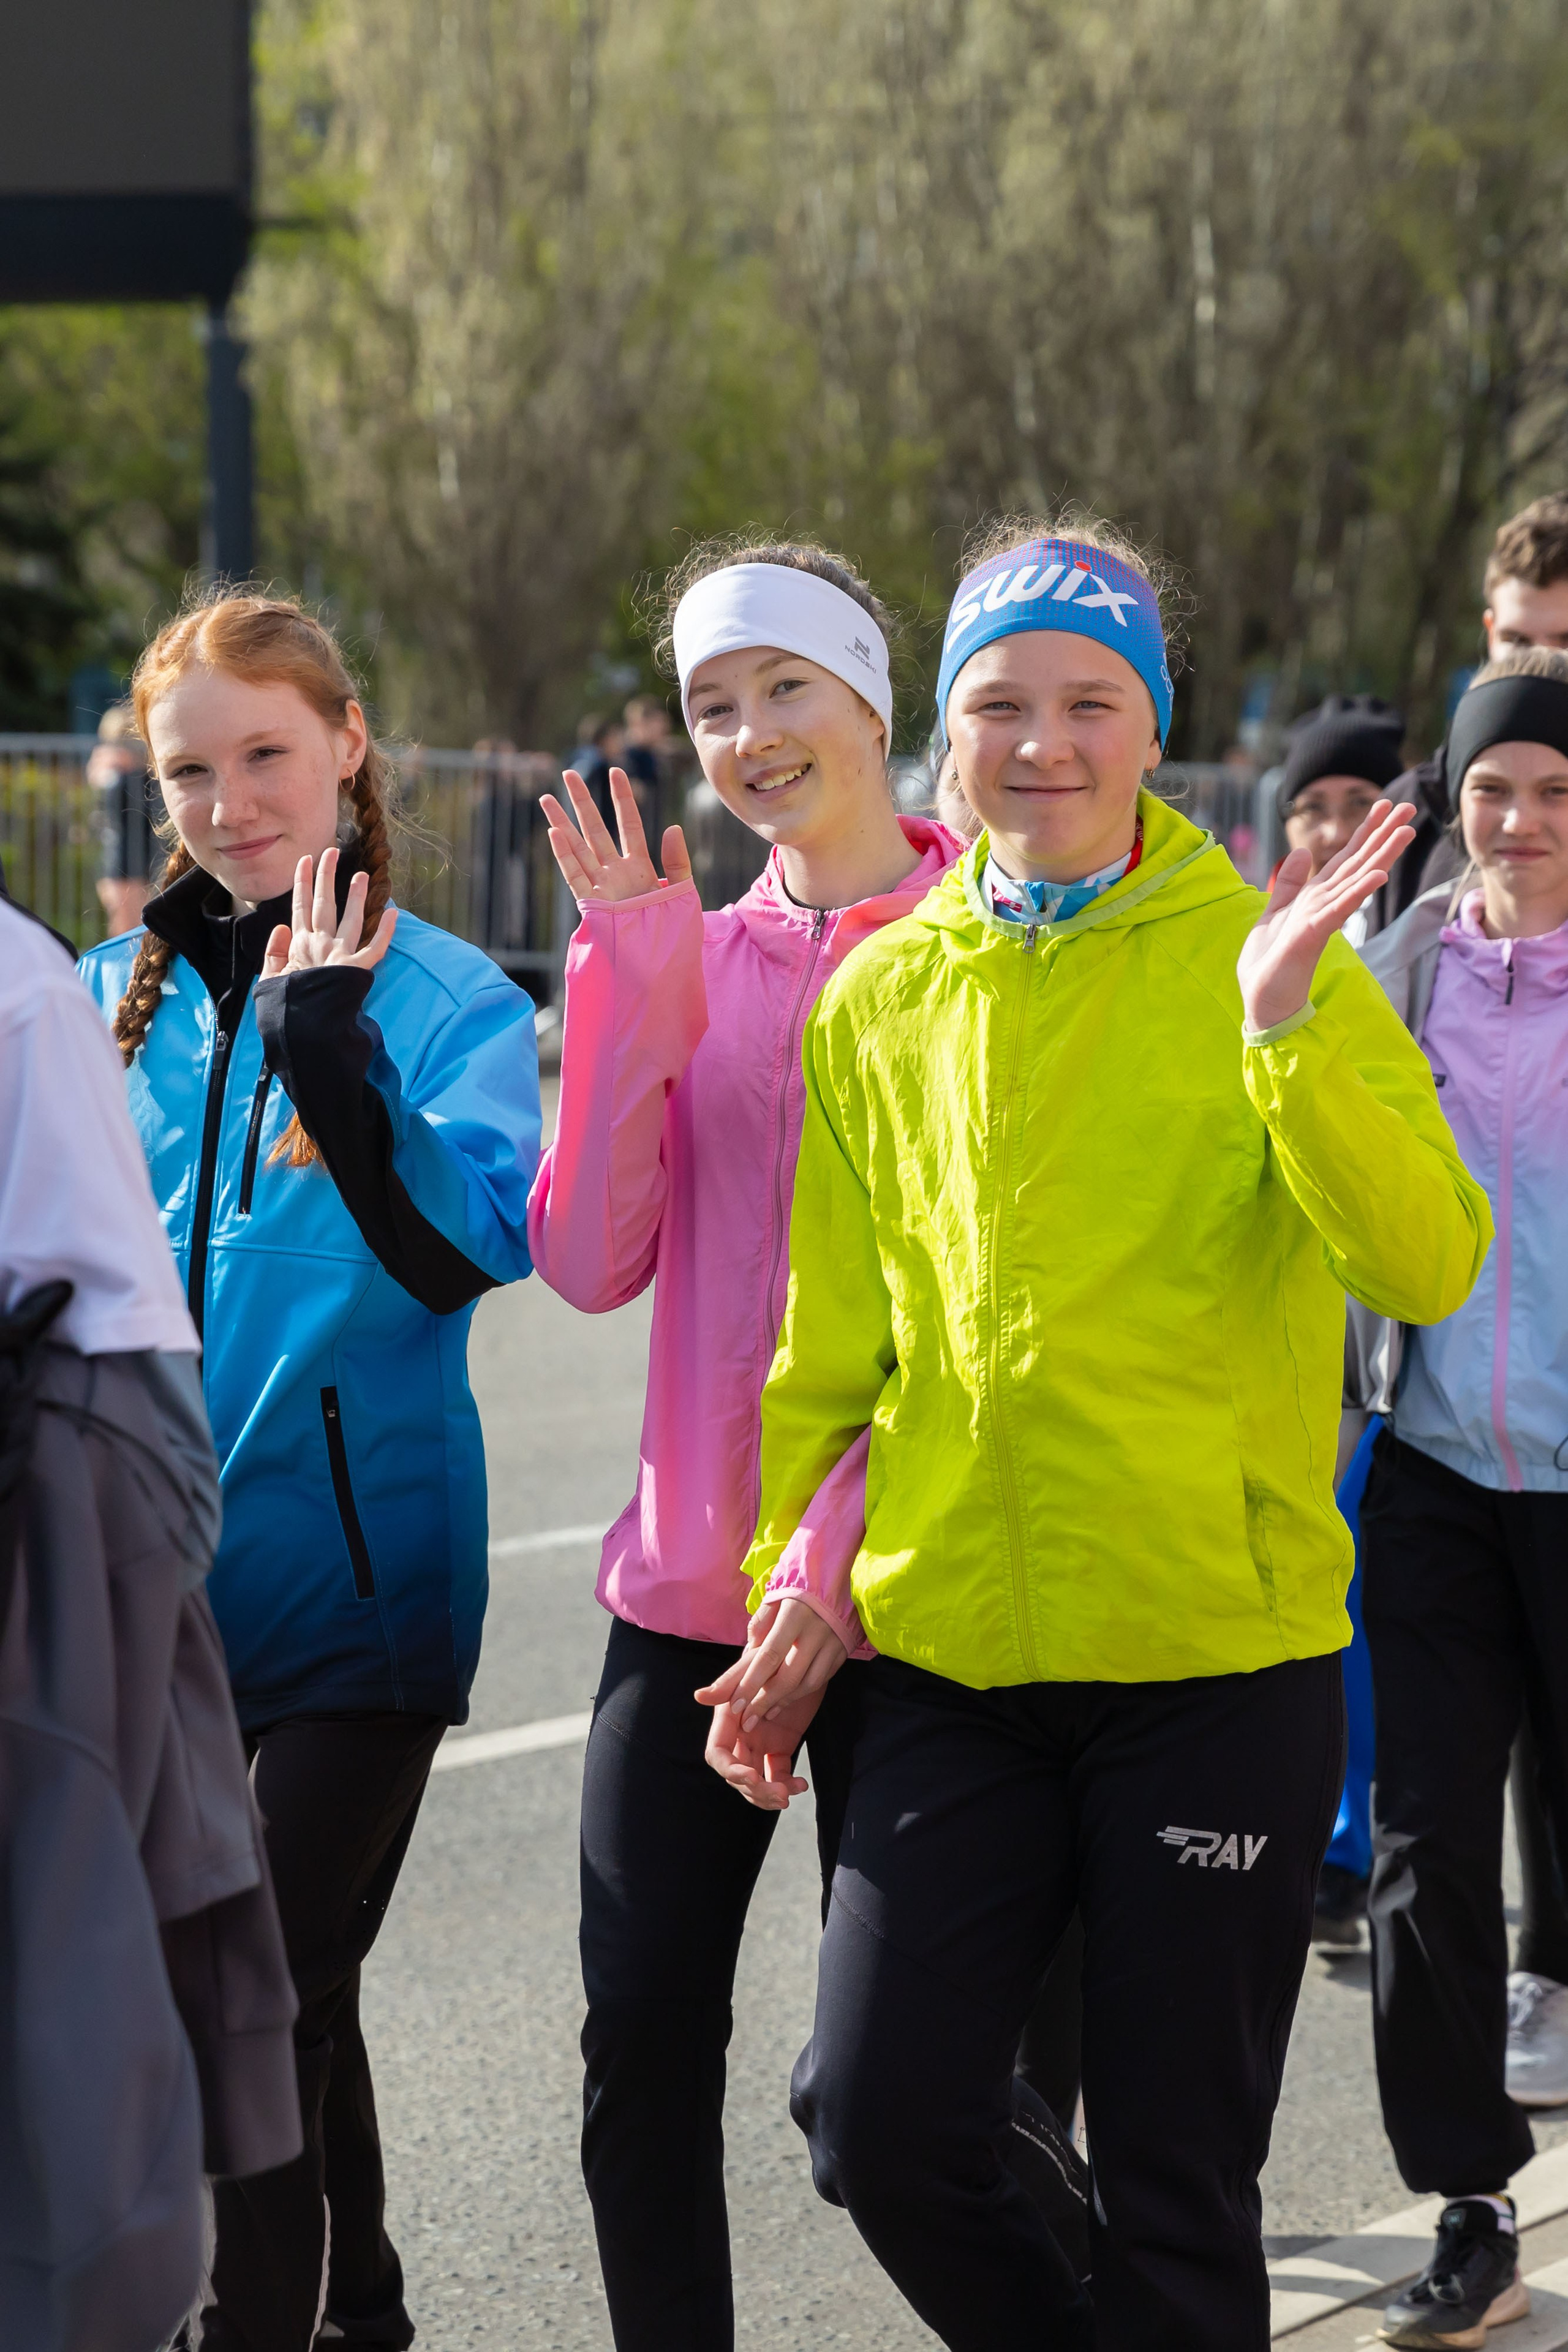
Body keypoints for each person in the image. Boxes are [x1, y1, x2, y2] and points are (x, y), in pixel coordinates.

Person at [733, 514, 1490, 2350]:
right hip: (945, 1663)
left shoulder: (1266, 953)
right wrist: (787, 1597)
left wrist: (1284, 1030)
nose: (1042, 742)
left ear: (1154, 732)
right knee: (880, 2120)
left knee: (1172, 2188)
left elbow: (1429, 1255)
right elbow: (832, 1353)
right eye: (1000, 703)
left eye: (1091, 701)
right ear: (946, 738)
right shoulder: (878, 992)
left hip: (1207, 1662)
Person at [529, 538, 1087, 2348]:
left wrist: (824, 1577)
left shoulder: (984, 942)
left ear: (871, 699)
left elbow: (969, 1319)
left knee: (911, 2111)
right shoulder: (686, 946)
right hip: (688, 1591)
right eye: (712, 704)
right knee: (637, 2067)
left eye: (785, 688)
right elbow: (589, 1261)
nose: (751, 734)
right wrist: (628, 987)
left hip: (910, 1603)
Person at [77, 591, 540, 2352]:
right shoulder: (102, 1002)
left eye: (266, 752)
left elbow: (459, 1253)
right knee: (293, 2000)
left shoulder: (448, 1001)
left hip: (363, 1599)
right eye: (190, 769)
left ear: (348, 745)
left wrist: (333, 1060)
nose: (229, 800)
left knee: (241, 1991)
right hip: (149, 1605)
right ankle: (371, 2318)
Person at [1347, 649, 1568, 2349]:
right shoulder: (1401, 966)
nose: (1523, 819)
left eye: (1559, 791)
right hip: (1430, 1467)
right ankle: (1472, 2202)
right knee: (1425, 1853)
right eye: (1497, 787)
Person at [1392, 492, 1568, 922]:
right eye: (1518, 641)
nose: (1542, 663)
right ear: (1490, 633)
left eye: (1566, 642)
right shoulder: (1407, 818)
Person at [88, 700, 162, 937]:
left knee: (135, 927)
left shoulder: (143, 771)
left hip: (138, 855)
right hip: (123, 855)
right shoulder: (111, 767)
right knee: (126, 927)